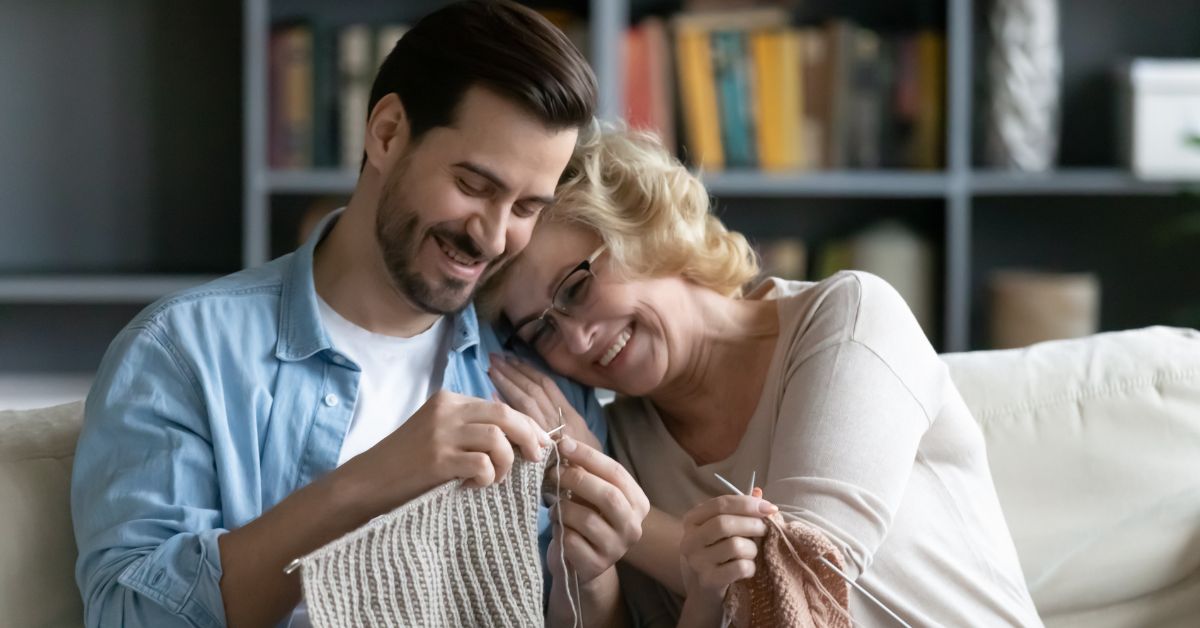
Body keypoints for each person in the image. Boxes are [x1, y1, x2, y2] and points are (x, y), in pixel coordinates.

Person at [70, 3, 646, 627]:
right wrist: (367, 484)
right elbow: (132, 616)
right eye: (475, 185)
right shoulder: (183, 353)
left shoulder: (542, 378)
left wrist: (592, 577)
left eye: (527, 207)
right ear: (388, 132)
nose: (494, 235)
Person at [482, 125, 1045, 627]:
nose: (576, 340)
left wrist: (628, 519)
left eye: (576, 288)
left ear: (641, 223)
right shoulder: (618, 445)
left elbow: (803, 585)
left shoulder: (847, 318)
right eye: (541, 333)